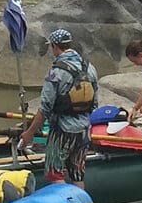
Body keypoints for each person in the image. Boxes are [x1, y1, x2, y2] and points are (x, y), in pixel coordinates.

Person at [16, 27, 95, 186]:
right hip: (85, 129)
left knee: (55, 173)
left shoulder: (56, 72)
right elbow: (95, 102)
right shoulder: (90, 68)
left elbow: (45, 108)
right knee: (77, 173)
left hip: (63, 130)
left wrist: (30, 132)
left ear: (54, 46)